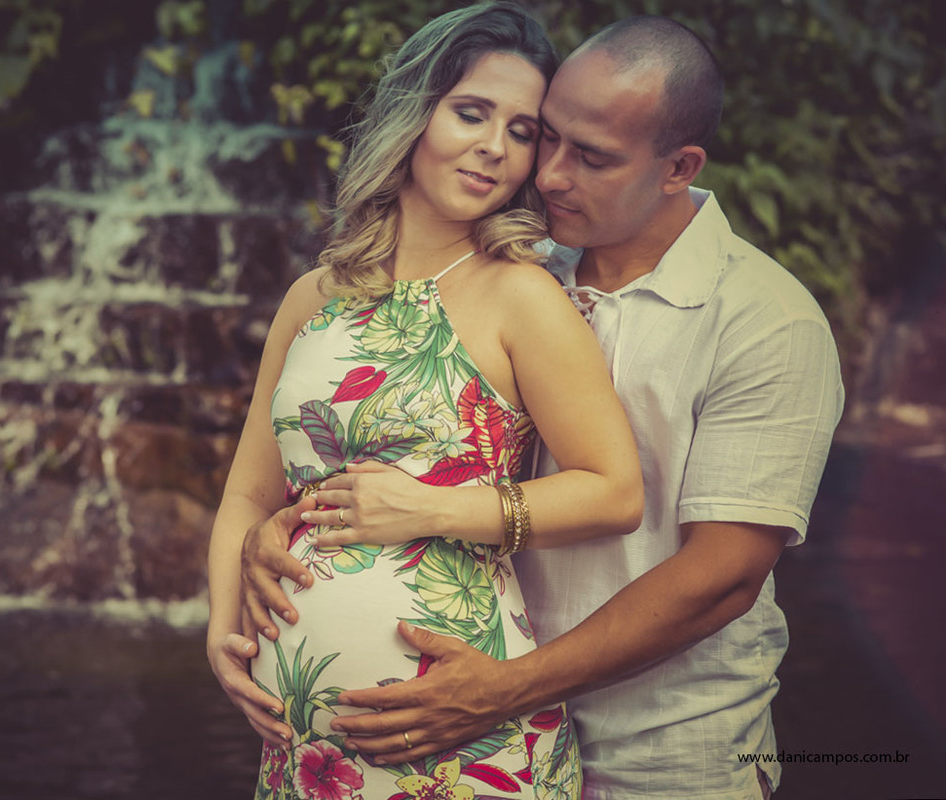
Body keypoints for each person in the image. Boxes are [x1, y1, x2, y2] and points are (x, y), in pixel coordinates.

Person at [233, 15, 845, 800]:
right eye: (545, 138)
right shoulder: (507, 264)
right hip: (454, 712)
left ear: (677, 166)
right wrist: (272, 534)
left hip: (660, 753)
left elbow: (721, 577)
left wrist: (506, 687)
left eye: (589, 157)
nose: (548, 174)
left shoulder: (765, 320)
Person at [205, 3, 645, 798]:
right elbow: (246, 492)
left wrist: (430, 509)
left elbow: (614, 491)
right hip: (303, 752)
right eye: (470, 113)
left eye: (521, 131)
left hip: (466, 744)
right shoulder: (313, 297)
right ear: (414, 115)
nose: (494, 148)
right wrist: (221, 627)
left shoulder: (522, 296)